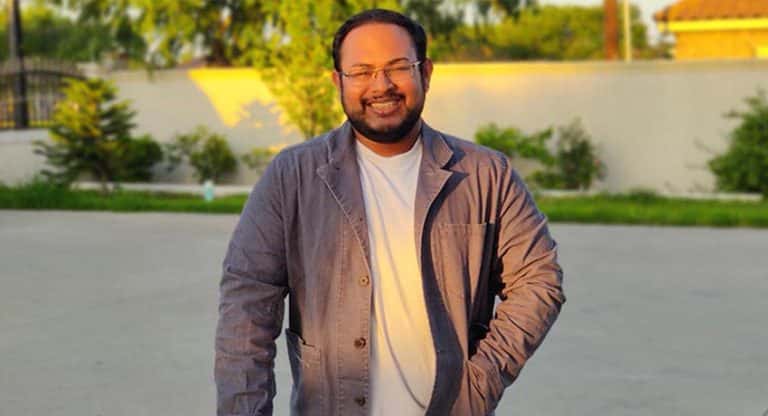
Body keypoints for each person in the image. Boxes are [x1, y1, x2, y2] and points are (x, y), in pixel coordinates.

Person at [215, 8, 565, 416]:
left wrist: (481, 380)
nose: (381, 85)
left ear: (426, 73)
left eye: (398, 67)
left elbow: (539, 280)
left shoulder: (485, 174)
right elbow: (246, 304)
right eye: (361, 71)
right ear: (338, 82)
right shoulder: (292, 176)